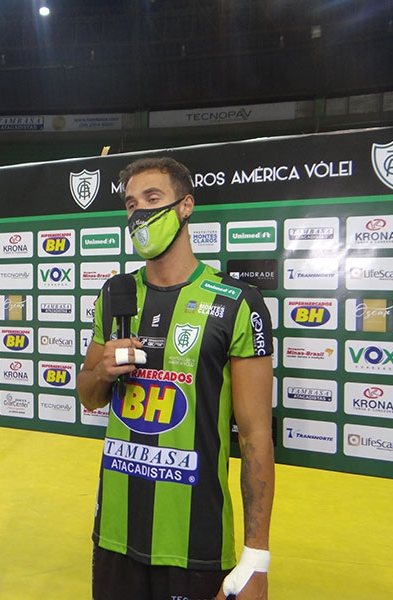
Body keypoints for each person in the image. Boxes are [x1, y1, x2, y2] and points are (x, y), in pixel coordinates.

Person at [76, 157, 275, 600]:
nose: (139, 214)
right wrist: (103, 372)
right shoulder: (114, 294)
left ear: (185, 206)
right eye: (130, 204)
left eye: (152, 199)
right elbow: (88, 395)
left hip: (196, 543)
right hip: (114, 534)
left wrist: (256, 557)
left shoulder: (238, 302)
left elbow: (257, 436)